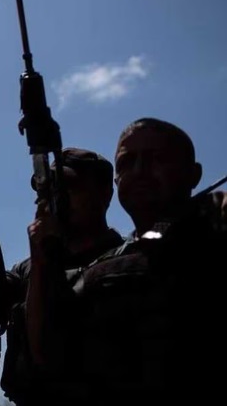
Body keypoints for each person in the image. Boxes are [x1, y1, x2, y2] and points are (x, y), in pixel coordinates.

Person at [26, 118, 226, 405]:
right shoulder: (102, 270)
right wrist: (41, 261)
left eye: (157, 159)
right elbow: (50, 354)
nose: (140, 171)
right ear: (117, 181)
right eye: (127, 163)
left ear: (193, 175)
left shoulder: (213, 230)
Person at [0, 147, 124, 405]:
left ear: (105, 194)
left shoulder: (123, 263)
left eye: (69, 188)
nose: (56, 199)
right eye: (47, 190)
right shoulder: (29, 269)